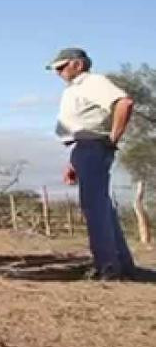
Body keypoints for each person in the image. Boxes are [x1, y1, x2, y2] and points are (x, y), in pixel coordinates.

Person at [48, 47, 137, 280]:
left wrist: (112, 139)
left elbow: (124, 103)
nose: (58, 72)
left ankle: (107, 266)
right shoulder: (77, 88)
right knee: (102, 206)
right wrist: (73, 162)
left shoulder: (92, 82)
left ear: (78, 64)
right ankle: (121, 263)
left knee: (94, 207)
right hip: (83, 148)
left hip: (93, 146)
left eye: (61, 66)